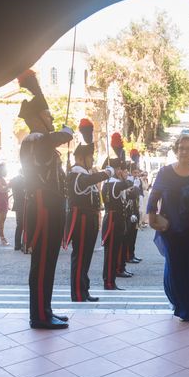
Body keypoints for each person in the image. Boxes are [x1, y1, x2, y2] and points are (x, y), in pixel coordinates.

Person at [17, 69, 74, 329]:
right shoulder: (34, 141)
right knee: (41, 262)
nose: (51, 118)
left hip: (50, 206)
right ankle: (39, 315)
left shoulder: (43, 141)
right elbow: (51, 140)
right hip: (42, 207)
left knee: (48, 261)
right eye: (48, 115)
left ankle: (45, 309)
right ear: (38, 117)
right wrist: (66, 132)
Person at [148, 134, 189, 321]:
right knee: (175, 268)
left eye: (188, 148)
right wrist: (152, 219)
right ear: (176, 150)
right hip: (171, 230)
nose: (184, 151)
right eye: (181, 148)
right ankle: (179, 303)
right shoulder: (165, 172)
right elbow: (153, 197)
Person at [65, 119, 113, 301]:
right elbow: (83, 185)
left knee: (86, 258)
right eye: (90, 158)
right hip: (81, 219)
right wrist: (106, 174)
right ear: (80, 158)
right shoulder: (76, 173)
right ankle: (78, 292)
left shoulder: (84, 173)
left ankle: (83, 290)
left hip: (89, 219)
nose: (92, 161)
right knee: (80, 256)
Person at [101, 148, 134, 291]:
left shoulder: (109, 183)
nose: (121, 171)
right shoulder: (114, 184)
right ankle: (109, 282)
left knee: (113, 252)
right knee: (111, 253)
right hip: (114, 220)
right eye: (119, 168)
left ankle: (110, 280)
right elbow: (129, 183)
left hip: (114, 219)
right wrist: (124, 176)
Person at [9, 168, 26, 251]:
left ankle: (17, 245)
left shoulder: (14, 179)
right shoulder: (25, 180)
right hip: (25, 204)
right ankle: (24, 244)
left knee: (19, 225)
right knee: (25, 225)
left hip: (18, 204)